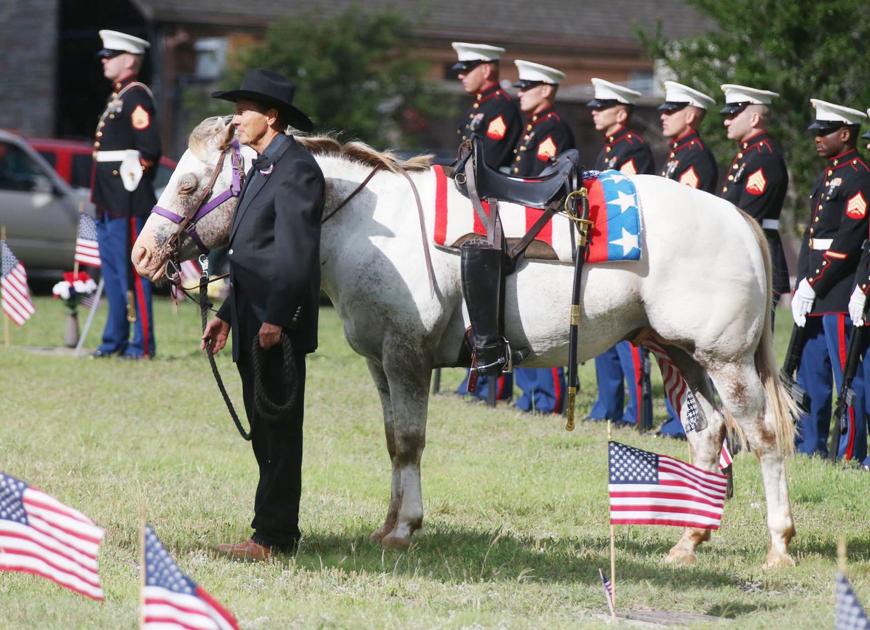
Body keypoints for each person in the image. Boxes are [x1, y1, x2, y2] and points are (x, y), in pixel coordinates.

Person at [202, 69, 324, 560]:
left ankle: (273, 538)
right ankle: (270, 530)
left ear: (270, 116)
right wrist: (228, 312)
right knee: (264, 427)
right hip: (249, 315)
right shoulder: (264, 165)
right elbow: (251, 253)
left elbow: (296, 257)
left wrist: (276, 318)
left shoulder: (297, 168)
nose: (236, 118)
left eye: (243, 109)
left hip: (276, 324)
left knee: (278, 430)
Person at [792, 99, 869, 461]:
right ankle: (811, 445)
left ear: (845, 132)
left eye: (825, 132)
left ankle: (850, 451)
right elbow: (812, 235)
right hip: (815, 288)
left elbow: (849, 238)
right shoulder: (826, 175)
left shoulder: (859, 176)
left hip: (837, 289)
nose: (817, 138)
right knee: (812, 374)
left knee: (848, 377)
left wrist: (815, 282)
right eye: (816, 132)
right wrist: (801, 284)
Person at [585, 78, 661, 428]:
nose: (595, 113)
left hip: (625, 247)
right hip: (606, 244)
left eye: (603, 107)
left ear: (622, 111)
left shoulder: (633, 148)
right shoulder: (610, 148)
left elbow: (629, 199)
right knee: (605, 332)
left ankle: (637, 411)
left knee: (628, 339)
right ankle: (608, 405)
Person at [451, 42, 522, 403]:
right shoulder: (478, 108)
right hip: (475, 202)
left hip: (494, 204)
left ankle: (494, 378)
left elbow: (488, 160)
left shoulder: (500, 106)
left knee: (488, 285)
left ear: (488, 69)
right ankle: (478, 372)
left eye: (468, 68)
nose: (461, 75)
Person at [508, 60, 574, 413]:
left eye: (527, 86)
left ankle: (547, 397)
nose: (520, 93)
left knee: (540, 310)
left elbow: (545, 183)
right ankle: (531, 393)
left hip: (539, 225)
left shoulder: (553, 128)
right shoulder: (535, 127)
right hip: (522, 222)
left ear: (546, 90)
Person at [91, 30, 161, 359]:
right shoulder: (119, 97)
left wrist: (130, 182)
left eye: (111, 55)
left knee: (134, 274)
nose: (104, 60)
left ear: (130, 60)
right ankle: (114, 340)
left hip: (127, 199)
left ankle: (142, 344)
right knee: (114, 274)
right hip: (109, 199)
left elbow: (150, 150)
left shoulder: (136, 97)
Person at [719, 84, 790, 323]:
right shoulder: (748, 154)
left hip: (758, 256)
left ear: (755, 118)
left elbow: (747, 215)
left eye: (733, 115)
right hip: (746, 255)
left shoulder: (763, 156)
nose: (727, 121)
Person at [658, 80, 718, 194]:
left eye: (670, 111)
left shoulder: (696, 155)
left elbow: (684, 203)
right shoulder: (681, 151)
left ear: (690, 117)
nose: (663, 116)